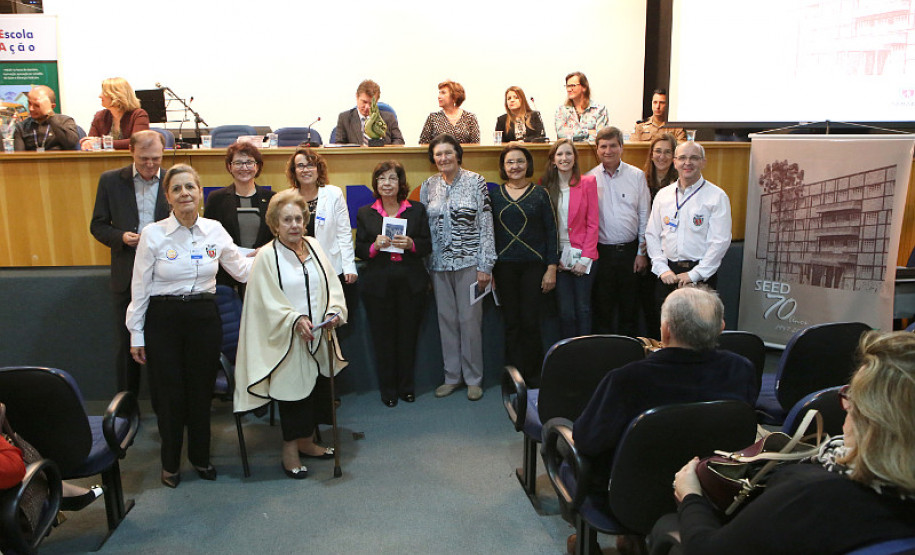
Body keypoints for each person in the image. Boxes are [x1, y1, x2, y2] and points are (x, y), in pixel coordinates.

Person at [667, 330, 915, 554]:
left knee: (663, 527)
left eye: (852, 396)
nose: (845, 404)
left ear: (873, 418)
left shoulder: (811, 496)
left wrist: (690, 496)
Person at [126, 164, 253, 489]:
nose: (184, 193)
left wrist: (277, 254)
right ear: (168, 196)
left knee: (201, 393)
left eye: (190, 187)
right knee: (169, 397)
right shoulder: (153, 234)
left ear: (200, 193)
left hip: (203, 319)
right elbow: (139, 288)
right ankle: (170, 463)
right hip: (163, 320)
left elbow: (241, 270)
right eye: (177, 189)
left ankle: (200, 457)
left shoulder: (215, 230)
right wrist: (136, 333)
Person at [573, 287, 757, 508]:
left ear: (665, 330)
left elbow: (587, 441)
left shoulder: (626, 379)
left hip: (635, 500)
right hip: (713, 492)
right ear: (721, 328)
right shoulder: (742, 369)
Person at [234, 188, 346, 480]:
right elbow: (264, 301)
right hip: (287, 339)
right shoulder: (267, 256)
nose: (295, 225)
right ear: (275, 224)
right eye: (287, 220)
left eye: (298, 218)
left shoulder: (314, 246)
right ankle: (290, 451)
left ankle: (308, 442)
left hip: (319, 335)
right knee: (293, 396)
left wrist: (334, 310)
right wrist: (294, 319)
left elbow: (331, 283)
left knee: (317, 392)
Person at [90, 130, 169, 405]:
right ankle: (126, 409)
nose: (150, 165)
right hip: (127, 272)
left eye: (156, 159)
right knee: (127, 347)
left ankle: (165, 407)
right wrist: (121, 237)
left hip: (165, 275)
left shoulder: (173, 179)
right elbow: (97, 225)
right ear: (131, 153)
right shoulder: (111, 181)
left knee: (163, 346)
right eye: (144, 159)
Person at [420, 134, 496, 401]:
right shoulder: (428, 186)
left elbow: (486, 225)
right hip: (439, 266)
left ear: (458, 155)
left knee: (470, 323)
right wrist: (425, 269)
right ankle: (452, 376)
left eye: (448, 153)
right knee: (446, 322)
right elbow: (424, 231)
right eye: (438, 154)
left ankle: (474, 378)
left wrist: (486, 265)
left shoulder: (476, 182)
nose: (443, 158)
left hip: (470, 264)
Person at [354, 161, 431, 407]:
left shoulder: (416, 210)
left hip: (411, 284)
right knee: (383, 340)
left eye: (392, 179)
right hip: (378, 287)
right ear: (375, 184)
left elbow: (427, 245)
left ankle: (406, 387)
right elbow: (360, 250)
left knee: (408, 338)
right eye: (382, 179)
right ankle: (387, 390)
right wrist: (374, 247)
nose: (387, 184)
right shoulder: (366, 212)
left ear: (401, 183)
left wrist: (412, 245)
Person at [491, 144, 557, 385]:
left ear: (527, 164)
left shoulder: (541, 194)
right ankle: (512, 377)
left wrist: (551, 267)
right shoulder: (495, 195)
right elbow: (490, 234)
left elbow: (552, 231)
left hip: (534, 267)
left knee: (530, 322)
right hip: (504, 267)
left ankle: (534, 376)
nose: (515, 166)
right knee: (511, 323)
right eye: (510, 162)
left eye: (520, 161)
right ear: (503, 167)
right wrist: (490, 269)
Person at [645, 141, 732, 308]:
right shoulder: (663, 195)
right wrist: (662, 268)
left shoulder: (717, 196)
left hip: (700, 276)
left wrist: (695, 274)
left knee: (699, 329)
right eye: (682, 158)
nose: (687, 163)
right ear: (675, 162)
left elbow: (720, 242)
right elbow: (652, 234)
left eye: (694, 158)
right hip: (667, 274)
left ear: (703, 162)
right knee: (665, 328)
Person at [586, 126, 650, 337]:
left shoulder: (637, 176)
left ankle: (628, 358)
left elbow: (644, 215)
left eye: (613, 145)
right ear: (597, 150)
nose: (608, 150)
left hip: (631, 253)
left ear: (621, 147)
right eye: (603, 146)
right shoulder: (589, 179)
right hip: (602, 254)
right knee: (602, 310)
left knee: (629, 311)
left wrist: (641, 253)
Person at [542, 139, 599, 338]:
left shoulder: (588, 183)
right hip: (557, 258)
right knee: (565, 313)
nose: (564, 158)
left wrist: (585, 259)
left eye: (568, 154)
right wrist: (552, 258)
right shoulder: (545, 186)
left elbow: (593, 223)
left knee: (583, 309)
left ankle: (585, 352)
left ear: (574, 159)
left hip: (583, 256)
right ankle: (569, 354)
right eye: (559, 154)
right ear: (553, 160)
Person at [203, 141, 275, 295]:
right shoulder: (216, 199)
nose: (244, 168)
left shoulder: (272, 199)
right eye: (238, 163)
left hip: (264, 269)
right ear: (230, 167)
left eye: (249, 162)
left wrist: (266, 249)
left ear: (257, 166)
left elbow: (279, 235)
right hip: (227, 274)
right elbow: (208, 236)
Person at [638, 133, 679, 338]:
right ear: (651, 154)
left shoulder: (680, 183)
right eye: (658, 151)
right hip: (645, 251)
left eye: (667, 152)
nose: (662, 156)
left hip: (671, 253)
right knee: (649, 305)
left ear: (674, 156)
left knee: (670, 309)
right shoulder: (641, 180)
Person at [81, 77, 150, 151]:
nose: (100, 96)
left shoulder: (139, 115)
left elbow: (138, 142)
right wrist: (86, 142)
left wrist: (100, 143)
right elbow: (91, 141)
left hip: (131, 159)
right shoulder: (100, 116)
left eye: (104, 92)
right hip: (104, 161)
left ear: (116, 95)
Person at [334, 79, 405, 145]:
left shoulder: (389, 118)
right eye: (364, 102)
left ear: (377, 101)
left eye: (371, 103)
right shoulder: (344, 118)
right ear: (357, 97)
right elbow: (339, 145)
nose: (367, 107)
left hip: (383, 157)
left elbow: (399, 140)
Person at [12, 85, 79, 151]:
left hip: (59, 161)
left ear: (52, 106)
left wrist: (50, 115)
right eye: (29, 103)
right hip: (32, 161)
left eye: (37, 105)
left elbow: (71, 145)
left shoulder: (65, 121)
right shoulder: (21, 127)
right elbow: (19, 157)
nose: (31, 108)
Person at [554, 71, 608, 142]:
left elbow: (601, 136)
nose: (569, 89)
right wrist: (587, 132)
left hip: (592, 152)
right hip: (569, 151)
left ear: (584, 87)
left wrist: (574, 136)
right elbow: (561, 134)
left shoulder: (599, 109)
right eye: (567, 86)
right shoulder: (561, 110)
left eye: (573, 86)